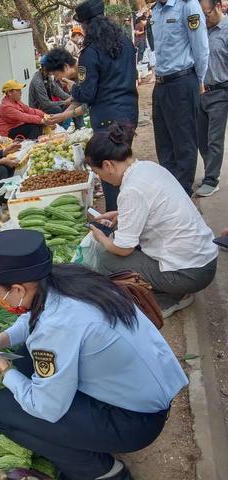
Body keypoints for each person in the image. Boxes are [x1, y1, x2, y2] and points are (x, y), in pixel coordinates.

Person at [0, 229, 188, 480]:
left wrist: (4, 368)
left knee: (2, 409)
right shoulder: (65, 278)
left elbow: (46, 408)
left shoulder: (57, 326)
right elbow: (33, 316)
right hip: (144, 390)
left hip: (134, 421)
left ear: (17, 289)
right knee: (27, 360)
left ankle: (102, 471)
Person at [84, 124, 218, 318]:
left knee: (105, 257)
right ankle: (171, 289)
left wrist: (100, 237)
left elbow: (123, 249)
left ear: (107, 165)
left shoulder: (131, 190)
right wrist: (122, 215)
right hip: (204, 261)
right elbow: (154, 208)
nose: (101, 177)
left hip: (190, 274)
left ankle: (168, 298)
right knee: (119, 241)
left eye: (98, 172)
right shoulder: (147, 168)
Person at [42, 0, 138, 212]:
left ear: (85, 26)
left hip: (107, 119)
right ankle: (133, 216)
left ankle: (117, 222)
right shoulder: (125, 42)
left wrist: (74, 87)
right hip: (129, 112)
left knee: (110, 172)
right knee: (127, 169)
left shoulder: (91, 52)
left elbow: (87, 93)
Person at [151, 0, 209, 197]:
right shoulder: (156, 11)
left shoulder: (188, 6)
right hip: (160, 84)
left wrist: (199, 80)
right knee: (164, 142)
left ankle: (183, 194)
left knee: (184, 143)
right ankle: (171, 191)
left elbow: (201, 47)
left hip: (182, 81)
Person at [196, 0, 228, 197]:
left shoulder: (225, 31)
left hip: (221, 91)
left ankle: (211, 179)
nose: (204, 19)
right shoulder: (201, 31)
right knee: (201, 138)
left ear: (218, 6)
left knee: (214, 139)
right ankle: (209, 171)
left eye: (206, 14)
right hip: (200, 92)